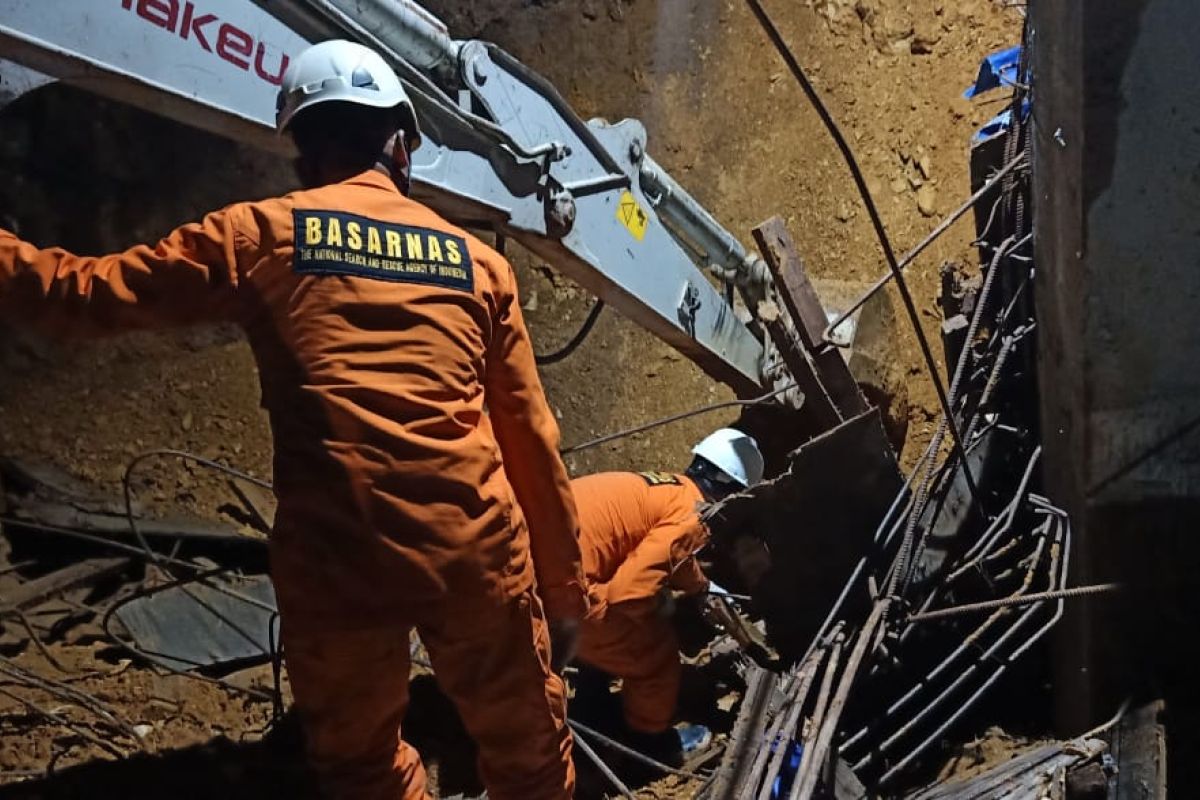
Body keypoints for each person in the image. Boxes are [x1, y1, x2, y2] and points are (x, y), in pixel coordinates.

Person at [0, 41, 584, 800]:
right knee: (529, 757)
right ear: (401, 144)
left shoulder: (257, 236)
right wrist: (567, 593)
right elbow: (533, 444)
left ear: (303, 150)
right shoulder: (480, 266)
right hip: (470, 555)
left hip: (336, 560)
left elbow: (84, 297)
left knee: (360, 763)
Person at [571, 427, 764, 763]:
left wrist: (702, 587)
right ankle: (647, 741)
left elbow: (669, 554)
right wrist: (657, 614)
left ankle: (592, 701)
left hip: (527, 567)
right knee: (657, 654)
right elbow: (627, 595)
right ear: (731, 493)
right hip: (560, 594)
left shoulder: (666, 488)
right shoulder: (694, 516)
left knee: (619, 615)